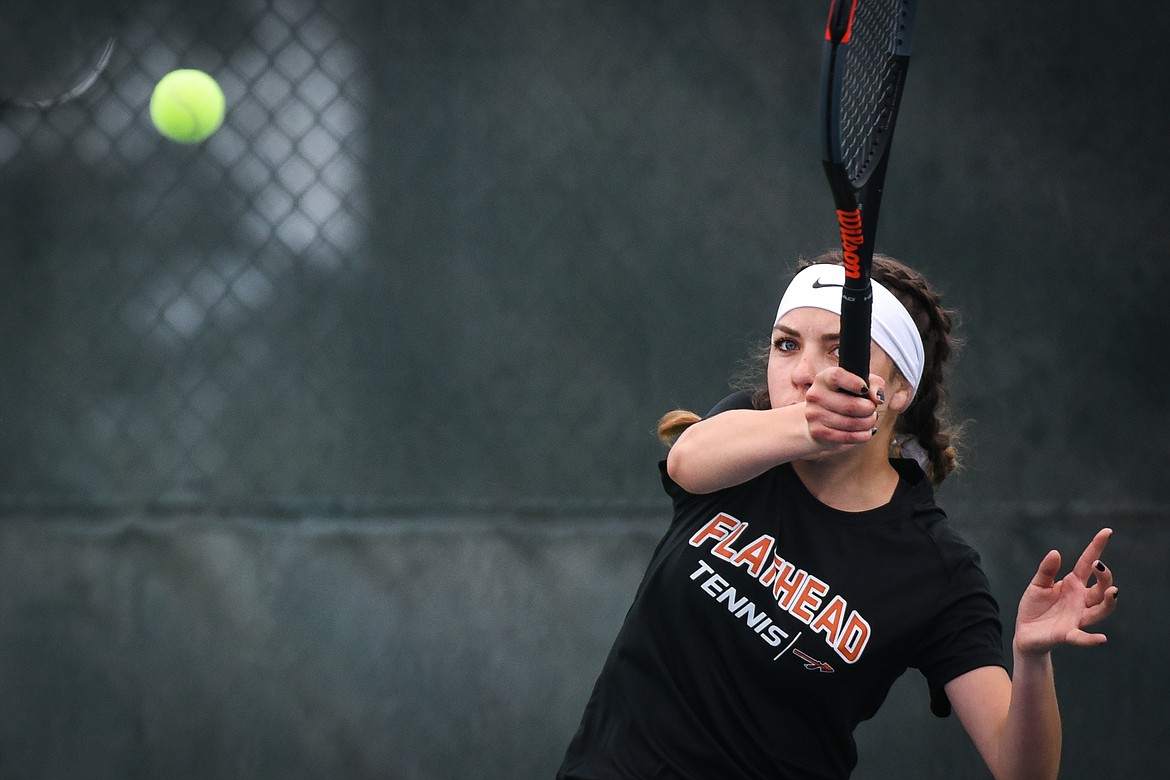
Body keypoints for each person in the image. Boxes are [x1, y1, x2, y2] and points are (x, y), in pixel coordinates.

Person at [557, 251, 1119, 780]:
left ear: (899, 389)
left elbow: (1023, 771)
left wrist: (1032, 660)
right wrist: (812, 424)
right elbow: (687, 459)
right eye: (785, 345)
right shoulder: (738, 441)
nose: (804, 372)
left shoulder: (939, 569)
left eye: (837, 348)